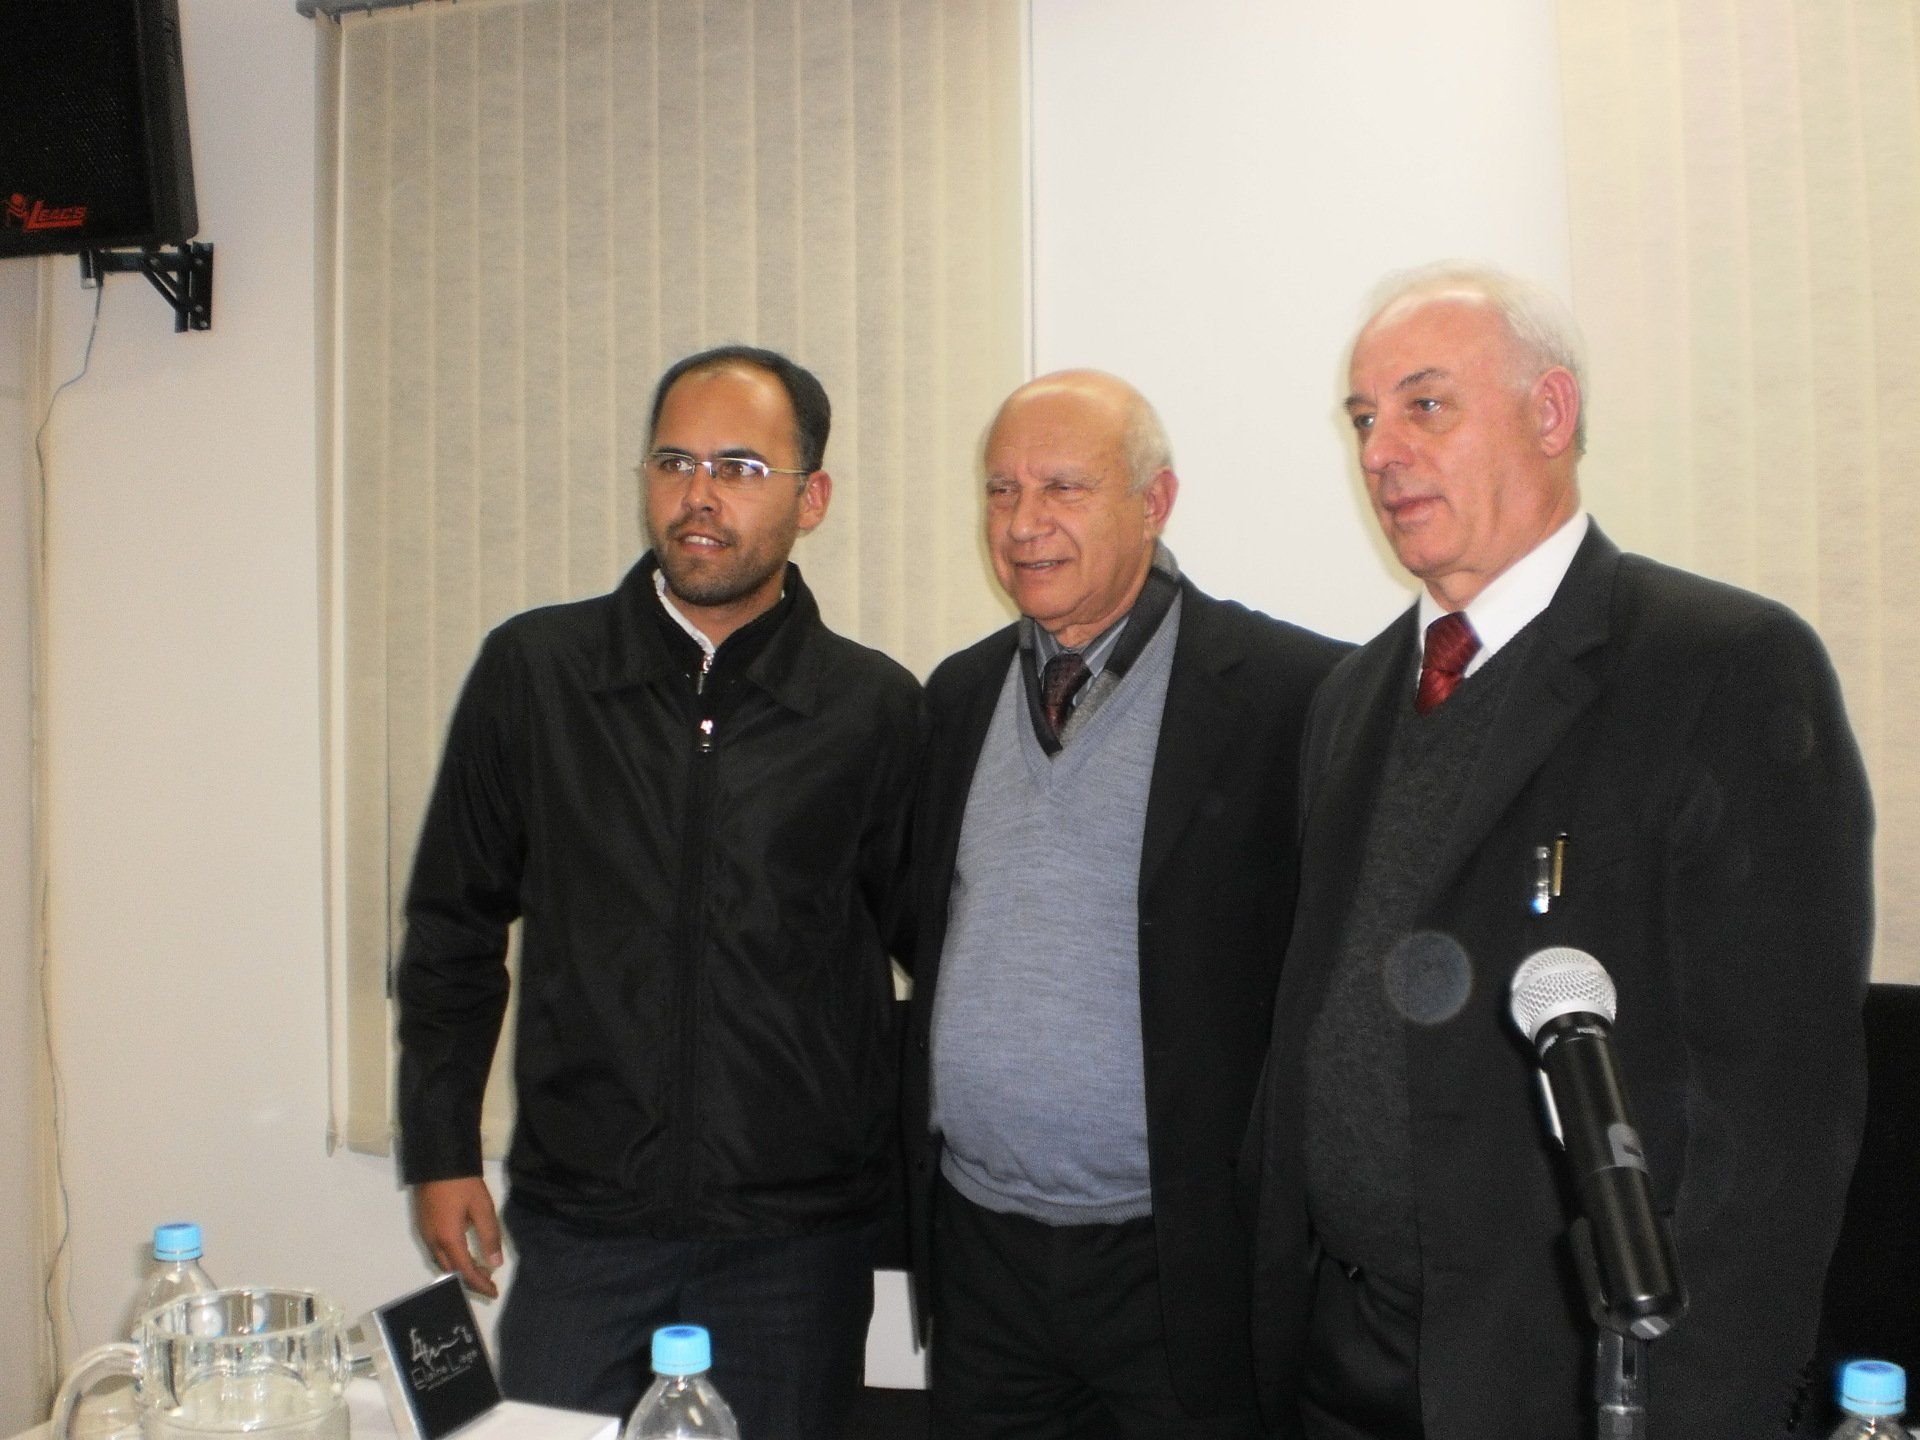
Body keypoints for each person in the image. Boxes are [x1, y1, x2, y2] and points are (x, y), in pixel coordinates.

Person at [1244, 263, 1874, 1439]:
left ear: (1550, 413)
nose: (1381, 451)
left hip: (1569, 1376)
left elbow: (1780, 1111)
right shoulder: (1350, 697)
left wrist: (1699, 1408)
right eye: (1364, 418)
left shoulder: (1718, 668)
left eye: (1426, 405)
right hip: (1343, 1355)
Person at [395, 345, 924, 1436]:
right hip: (588, 1227)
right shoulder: (538, 674)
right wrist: (441, 1151)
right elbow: (454, 926)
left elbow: (937, 952)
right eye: (674, 462)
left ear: (812, 498)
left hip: (796, 1246)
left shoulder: (872, 709)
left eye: (740, 468)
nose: (699, 495)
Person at [903, 370, 1350, 1438]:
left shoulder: (1294, 694)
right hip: (981, 1255)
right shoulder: (957, 696)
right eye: (1001, 489)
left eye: (1063, 487)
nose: (1023, 523)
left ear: (1156, 503)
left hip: (1183, 1262)